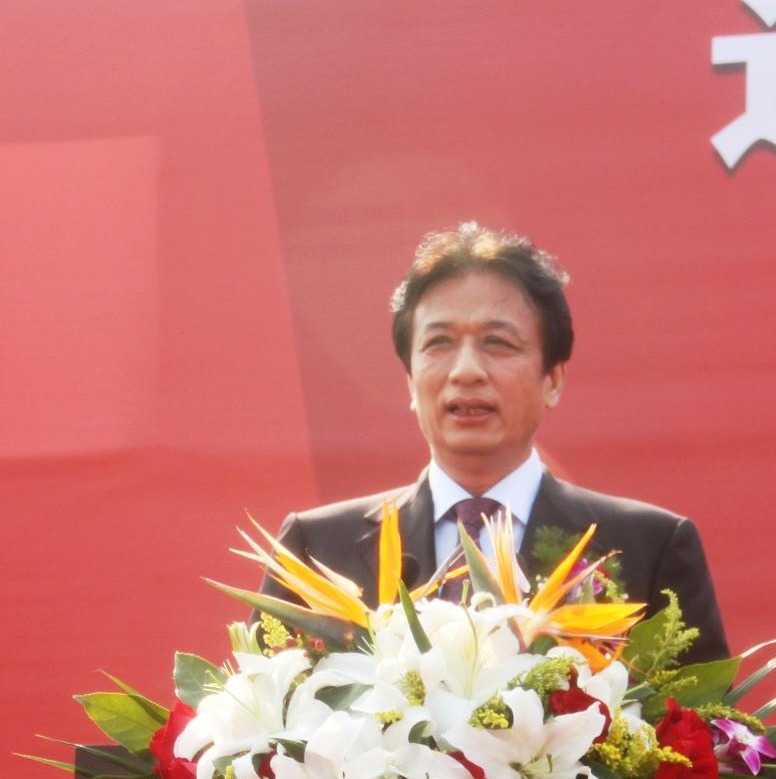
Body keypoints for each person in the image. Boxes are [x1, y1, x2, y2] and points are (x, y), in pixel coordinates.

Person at [264, 222, 729, 664]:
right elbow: (261, 716)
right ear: (409, 380)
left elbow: (702, 718)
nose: (466, 371)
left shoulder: (648, 547)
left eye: (498, 343)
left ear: (552, 380)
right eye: (439, 343)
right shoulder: (318, 548)